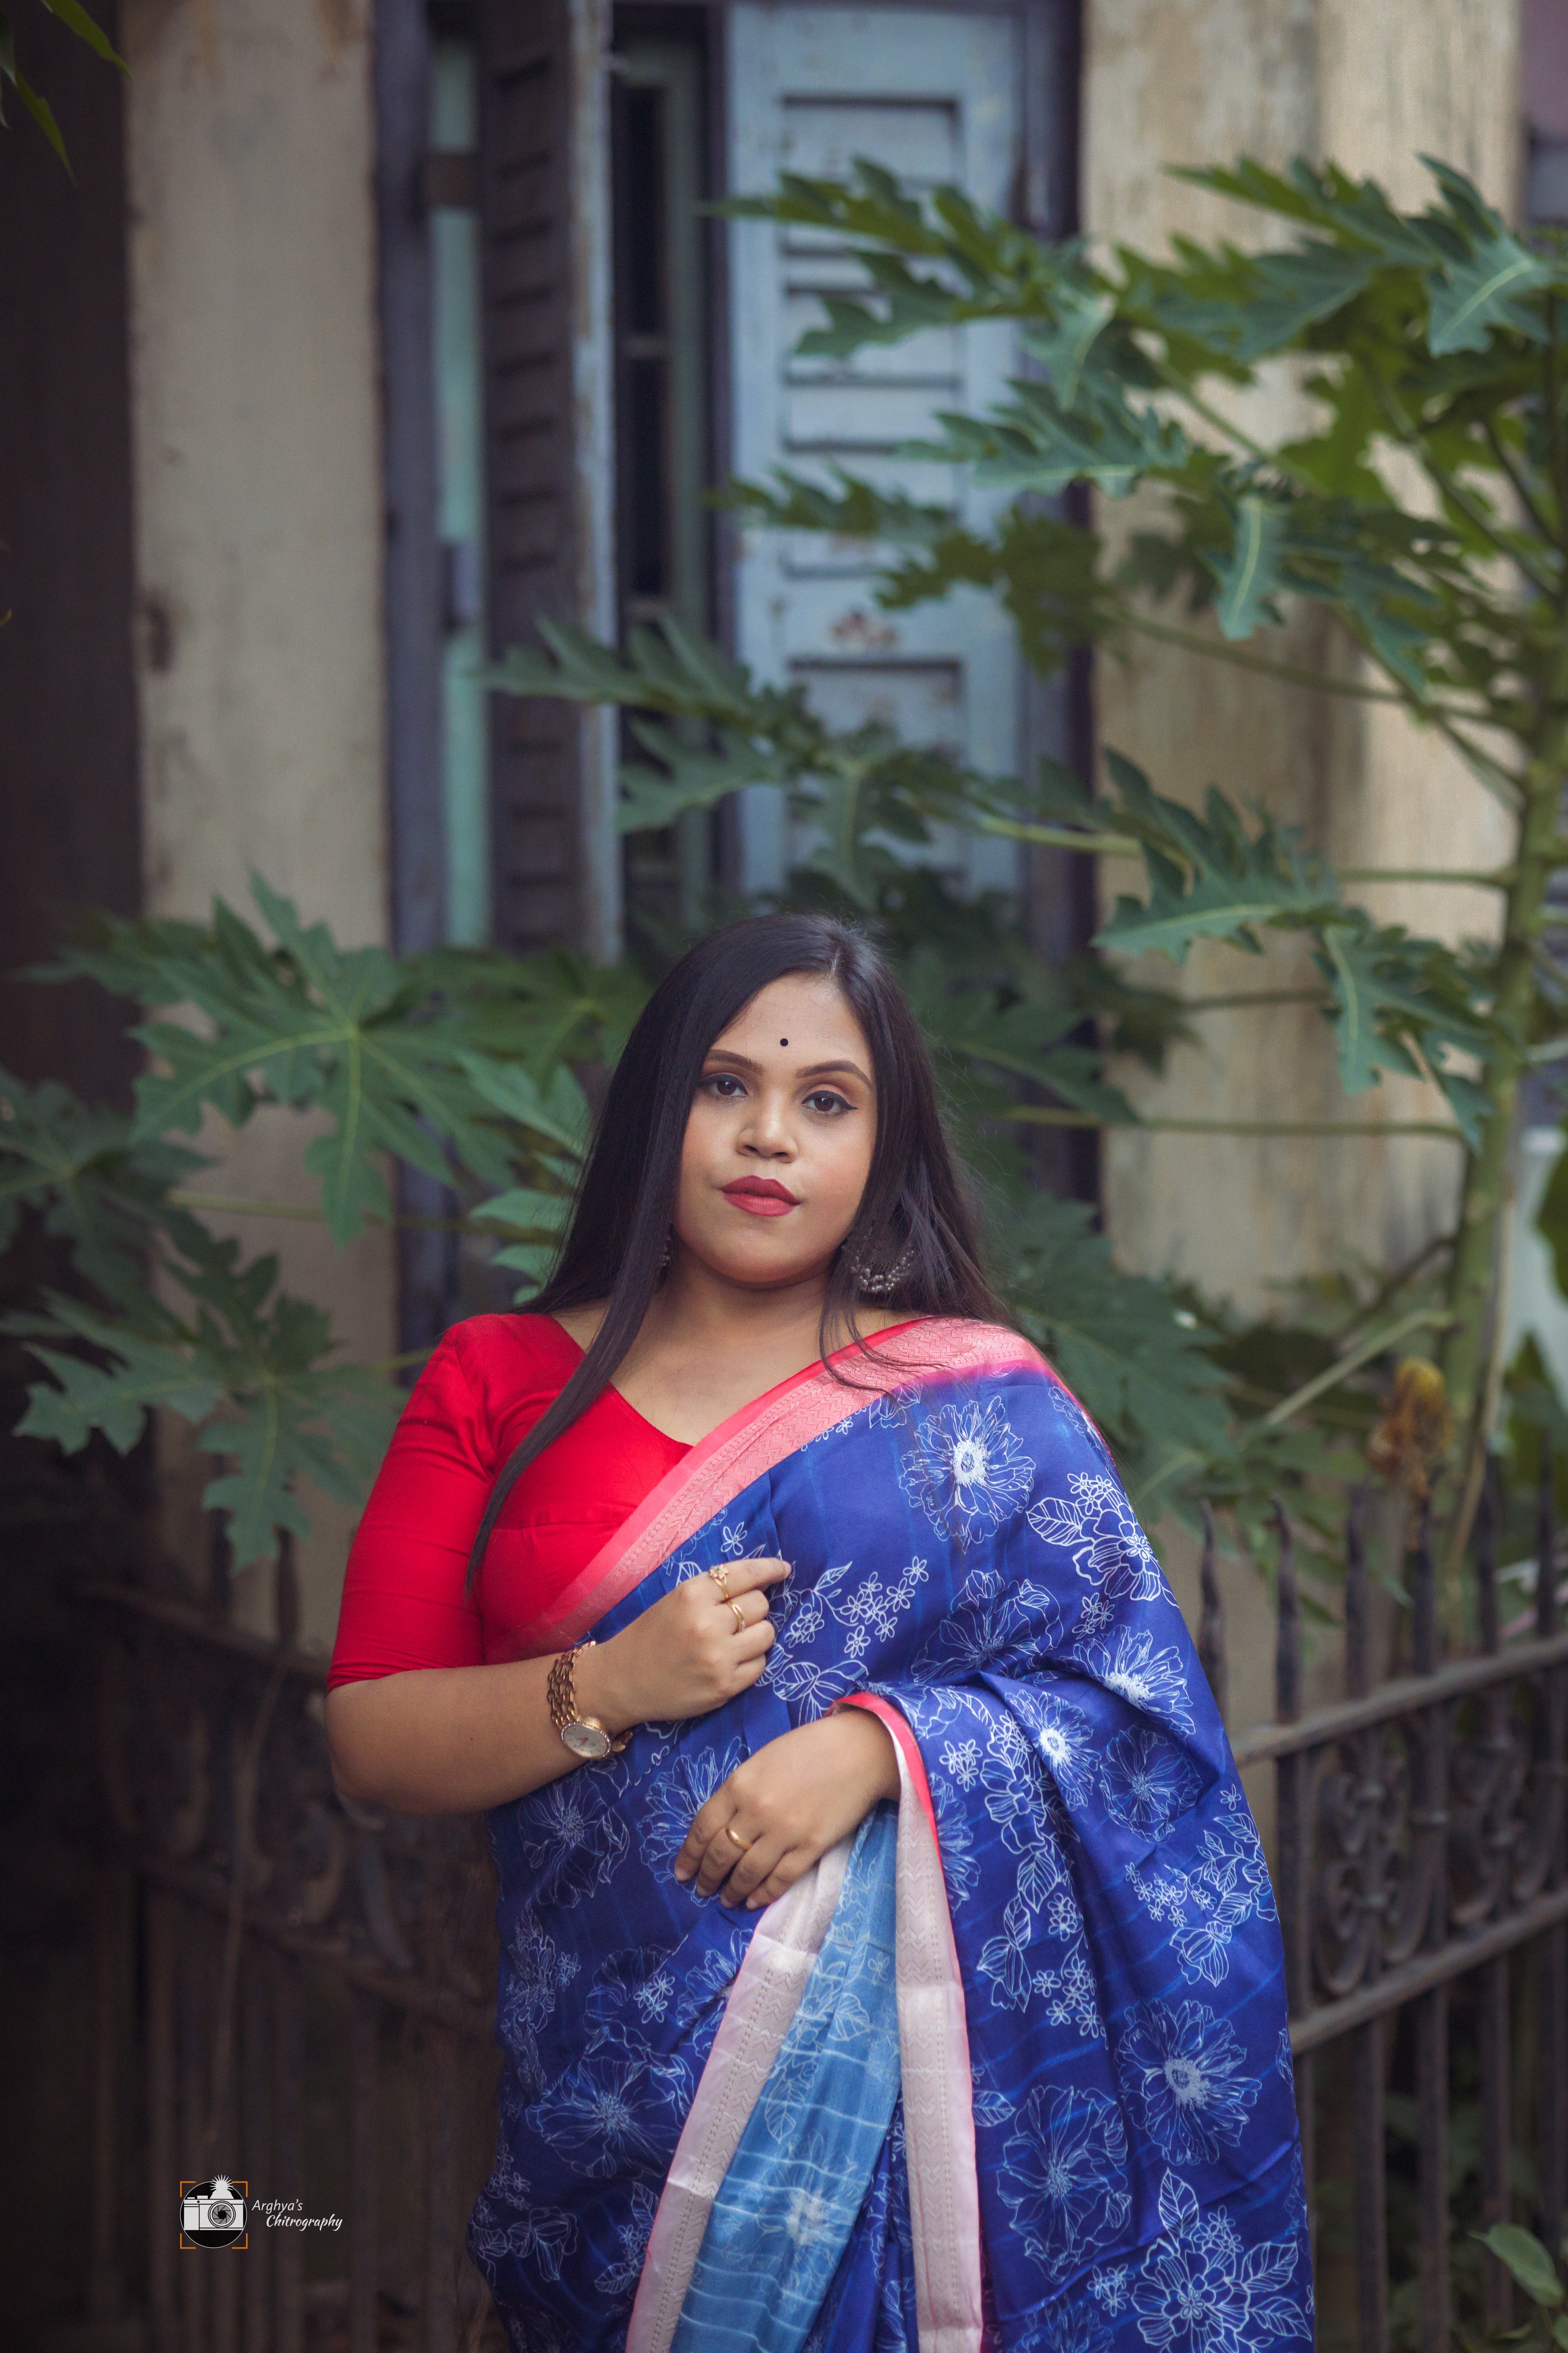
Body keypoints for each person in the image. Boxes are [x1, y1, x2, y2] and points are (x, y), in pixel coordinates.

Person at [325, 913, 1310, 2353]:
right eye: (724, 1087)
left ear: (884, 1145)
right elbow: (371, 1737)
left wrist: (877, 1751)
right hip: (615, 2119)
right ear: (659, 1111)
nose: (766, 1137)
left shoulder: (975, 1402)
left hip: (925, 2128)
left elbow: (1137, 1722)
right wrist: (607, 1684)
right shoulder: (501, 1380)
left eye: (824, 1102)